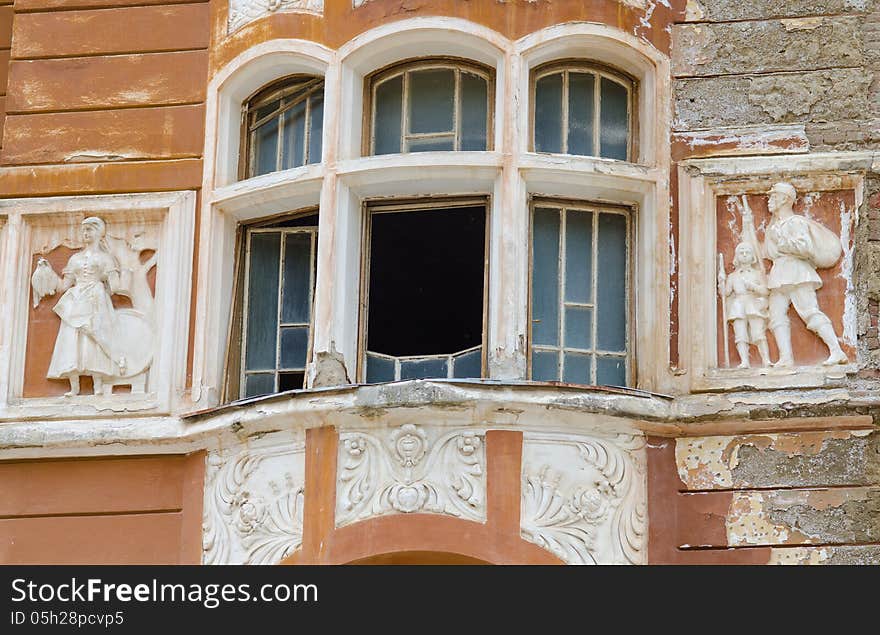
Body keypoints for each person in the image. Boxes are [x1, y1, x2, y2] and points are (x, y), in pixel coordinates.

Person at [761, 182, 848, 366]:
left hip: (797, 272)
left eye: (773, 196)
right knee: (776, 315)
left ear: (784, 199)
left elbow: (804, 248)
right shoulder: (775, 225)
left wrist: (781, 240)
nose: (769, 200)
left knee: (809, 312)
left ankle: (836, 350)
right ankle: (786, 357)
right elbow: (769, 252)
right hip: (780, 272)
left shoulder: (796, 222)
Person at [46, 217, 122, 395]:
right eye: (84, 230)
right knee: (72, 339)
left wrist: (110, 279)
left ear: (99, 233)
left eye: (90, 229)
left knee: (94, 339)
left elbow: (116, 286)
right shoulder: (75, 259)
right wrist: (47, 273)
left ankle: (98, 386)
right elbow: (64, 285)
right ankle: (74, 387)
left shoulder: (106, 258)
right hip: (76, 299)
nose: (86, 233)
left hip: (95, 299)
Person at [721, 242, 770, 368]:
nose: (744, 255)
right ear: (736, 256)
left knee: (758, 332)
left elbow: (765, 291)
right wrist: (721, 282)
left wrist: (753, 287)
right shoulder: (732, 276)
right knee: (740, 334)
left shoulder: (758, 274)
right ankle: (744, 361)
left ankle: (766, 360)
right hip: (738, 305)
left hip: (753, 303)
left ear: (752, 255)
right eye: (741, 253)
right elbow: (726, 293)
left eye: (747, 252)